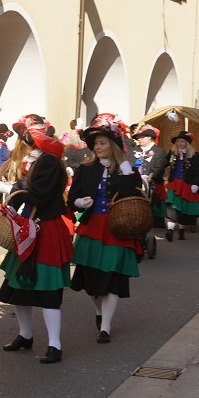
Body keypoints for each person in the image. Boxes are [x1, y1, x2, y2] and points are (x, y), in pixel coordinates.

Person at [0, 115, 72, 364]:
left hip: (47, 228)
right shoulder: (36, 160)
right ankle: (25, 336)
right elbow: (30, 192)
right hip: (29, 226)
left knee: (48, 291)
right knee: (19, 287)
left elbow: (40, 196)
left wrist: (14, 191)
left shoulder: (48, 162)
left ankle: (54, 345)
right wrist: (14, 191)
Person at [68, 114, 142, 345]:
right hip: (91, 229)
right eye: (96, 144)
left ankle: (106, 328)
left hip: (116, 229)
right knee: (90, 282)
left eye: (102, 143)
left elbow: (133, 193)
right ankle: (99, 312)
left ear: (113, 145)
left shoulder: (124, 169)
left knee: (111, 279)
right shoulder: (85, 169)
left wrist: (128, 172)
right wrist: (79, 203)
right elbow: (72, 197)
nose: (98, 147)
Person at [163, 131, 199, 242]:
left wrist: (196, 183)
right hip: (174, 184)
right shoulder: (172, 153)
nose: (180, 143)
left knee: (183, 209)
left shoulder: (194, 155)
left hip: (187, 185)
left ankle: (181, 231)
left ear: (187, 143)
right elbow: (163, 163)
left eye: (182, 141)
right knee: (172, 208)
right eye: (178, 141)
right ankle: (170, 231)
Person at [133, 125, 168, 230]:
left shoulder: (159, 151)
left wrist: (149, 177)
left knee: (154, 208)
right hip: (135, 183)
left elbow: (159, 167)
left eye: (142, 137)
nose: (139, 139)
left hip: (152, 184)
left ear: (150, 137)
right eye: (138, 137)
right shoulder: (133, 151)